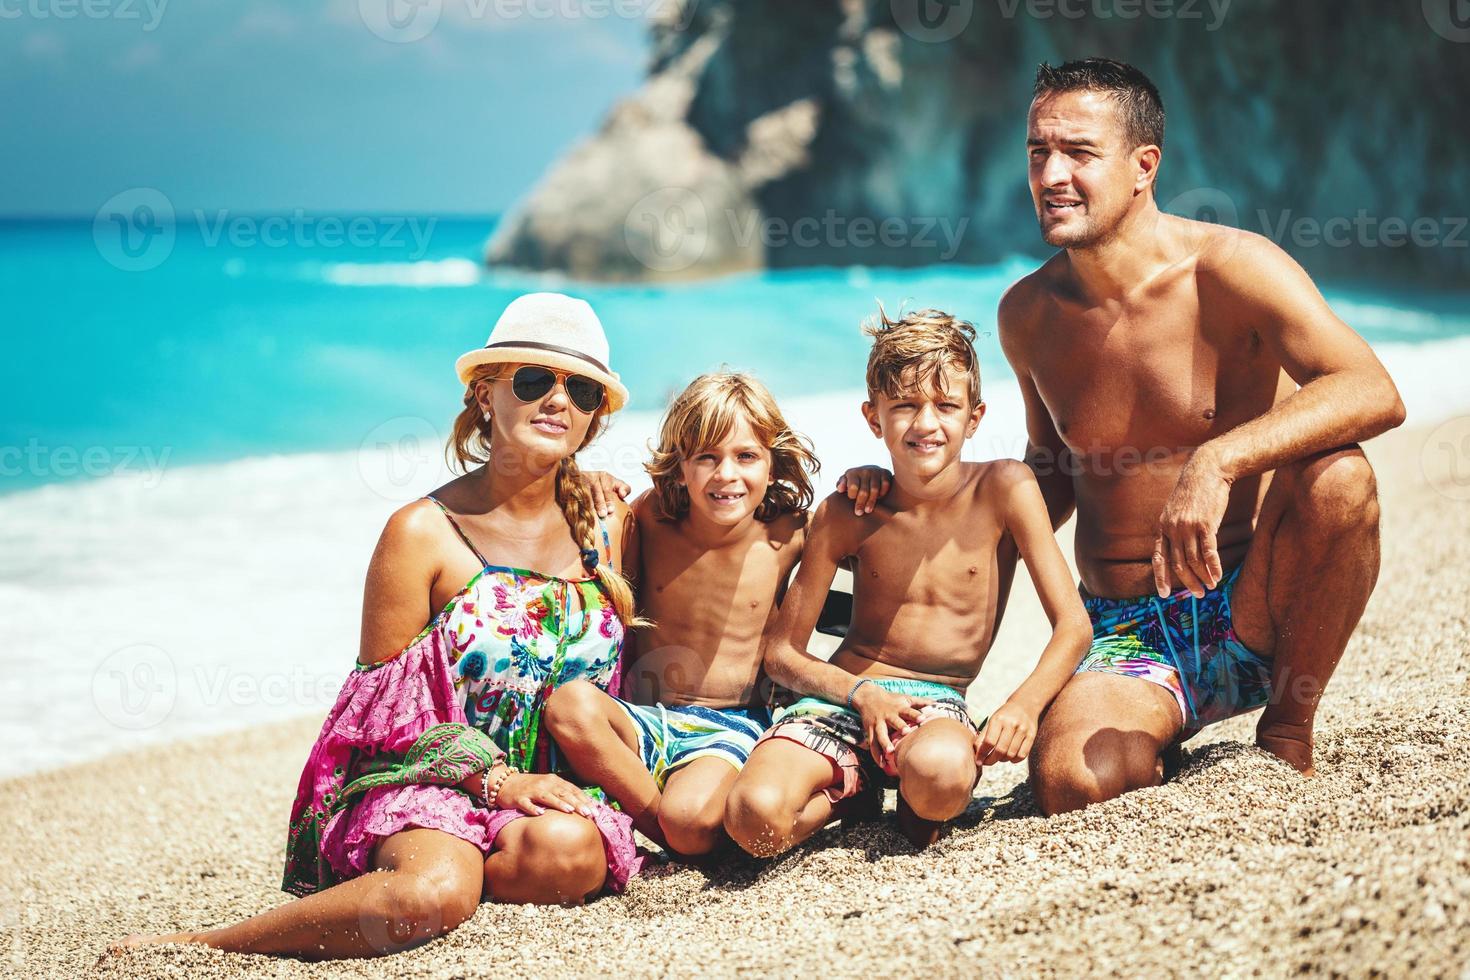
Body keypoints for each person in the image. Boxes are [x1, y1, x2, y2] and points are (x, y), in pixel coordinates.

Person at [111, 292, 646, 959]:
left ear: (595, 417)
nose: (558, 401)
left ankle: (468, 866)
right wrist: (498, 781)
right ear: (485, 395)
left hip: (555, 798)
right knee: (432, 895)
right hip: (431, 782)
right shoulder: (420, 533)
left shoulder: (611, 524)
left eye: (584, 390)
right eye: (534, 381)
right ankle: (204, 943)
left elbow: (724, 539)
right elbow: (375, 723)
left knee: (568, 857)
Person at [997, 58, 1405, 813]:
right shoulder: (1028, 315)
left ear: (1143, 166)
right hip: (1125, 631)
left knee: (1342, 477)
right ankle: (1152, 726)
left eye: (1079, 153)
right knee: (1070, 784)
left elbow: (1372, 389)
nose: (1052, 174)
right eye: (1036, 152)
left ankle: (1286, 731)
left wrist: (1219, 460)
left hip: (1253, 598)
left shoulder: (1231, 269)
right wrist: (946, 536)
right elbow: (1052, 468)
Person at [724, 307, 1092, 854]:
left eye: (946, 405)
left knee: (941, 779)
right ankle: (852, 791)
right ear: (874, 418)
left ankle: (906, 799)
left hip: (934, 703)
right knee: (753, 820)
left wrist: (1023, 705)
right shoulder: (848, 512)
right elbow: (781, 652)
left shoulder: (1005, 489)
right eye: (905, 406)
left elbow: (1073, 626)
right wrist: (862, 693)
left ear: (975, 416)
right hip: (844, 697)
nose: (926, 423)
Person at [545, 372, 817, 858]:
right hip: (639, 718)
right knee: (569, 706)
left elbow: (871, 547)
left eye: (746, 456)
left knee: (690, 818)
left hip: (729, 726)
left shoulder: (790, 534)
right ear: (680, 467)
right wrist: (583, 480)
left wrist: (868, 479)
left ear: (774, 465)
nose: (726, 474)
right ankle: (665, 827)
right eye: (706, 457)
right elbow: (591, 534)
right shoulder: (652, 518)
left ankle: (677, 830)